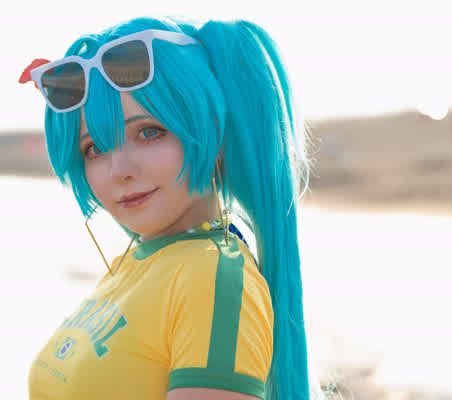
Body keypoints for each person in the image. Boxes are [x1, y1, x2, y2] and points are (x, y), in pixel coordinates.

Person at [19, 15, 324, 400]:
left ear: (213, 131)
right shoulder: (140, 261)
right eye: (94, 148)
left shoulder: (212, 279)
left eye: (149, 132)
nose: (119, 170)